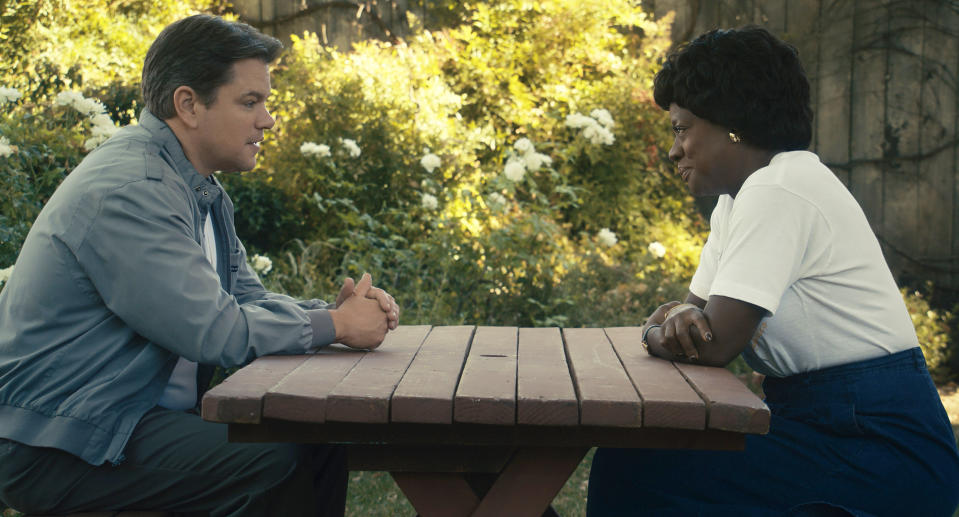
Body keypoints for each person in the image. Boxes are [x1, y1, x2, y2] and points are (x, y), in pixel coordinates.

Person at [0, 14, 400, 517]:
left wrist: (329, 315)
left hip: (120, 423)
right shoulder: (133, 191)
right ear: (188, 104)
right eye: (250, 102)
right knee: (284, 456)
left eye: (266, 103)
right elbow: (217, 332)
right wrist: (335, 325)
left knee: (314, 443)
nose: (268, 120)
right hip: (60, 442)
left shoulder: (196, 188)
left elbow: (245, 300)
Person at [586, 27, 959, 517]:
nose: (674, 149)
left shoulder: (779, 188)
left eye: (682, 128)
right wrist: (670, 325)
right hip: (825, 427)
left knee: (639, 467)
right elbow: (690, 318)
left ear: (732, 123)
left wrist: (657, 332)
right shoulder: (737, 200)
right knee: (646, 461)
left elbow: (709, 342)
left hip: (881, 447)